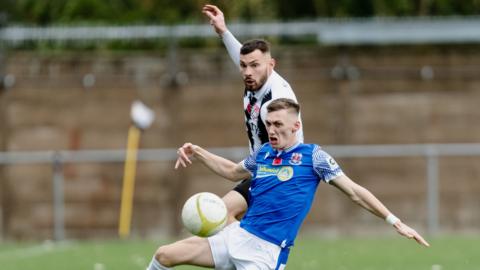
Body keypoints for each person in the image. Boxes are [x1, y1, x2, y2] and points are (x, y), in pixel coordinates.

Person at [146, 98, 430, 270]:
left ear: (296, 126)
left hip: (265, 253)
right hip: (237, 236)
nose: (271, 129)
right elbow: (233, 172)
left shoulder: (314, 157)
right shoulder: (264, 154)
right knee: (164, 255)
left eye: (278, 124)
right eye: (268, 124)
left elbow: (355, 192)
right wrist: (198, 152)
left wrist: (394, 221)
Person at [202, 4, 304, 224]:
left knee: (220, 217)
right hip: (261, 172)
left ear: (271, 65)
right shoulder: (256, 76)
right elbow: (246, 57)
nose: (248, 72)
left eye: (254, 66)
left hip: (279, 177)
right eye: (243, 66)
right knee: (226, 222)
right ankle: (245, 252)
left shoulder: (277, 100)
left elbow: (292, 142)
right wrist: (223, 31)